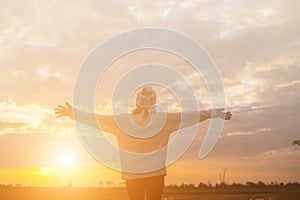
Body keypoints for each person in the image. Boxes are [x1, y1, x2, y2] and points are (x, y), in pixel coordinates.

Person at [55, 86, 232, 200]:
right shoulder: (164, 120)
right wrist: (213, 114)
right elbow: (191, 116)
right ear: (154, 102)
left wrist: (75, 113)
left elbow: (98, 119)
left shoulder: (124, 121)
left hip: (133, 176)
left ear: (137, 102)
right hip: (155, 175)